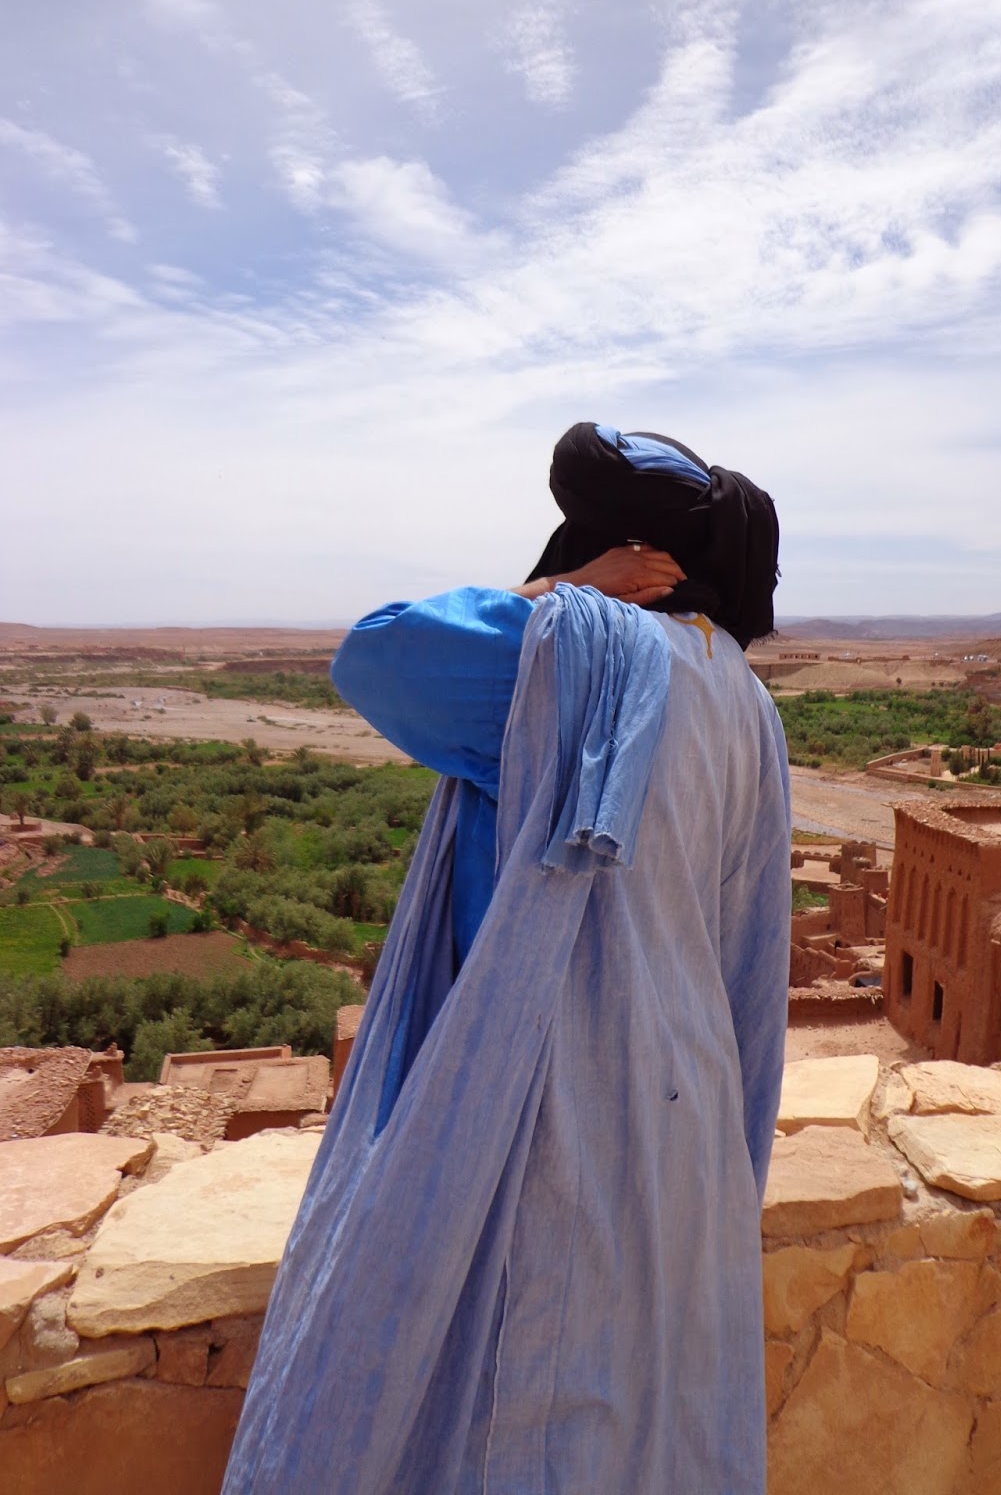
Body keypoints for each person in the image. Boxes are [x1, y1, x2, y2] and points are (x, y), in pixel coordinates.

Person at [222, 423, 791, 1495]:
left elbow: (375, 653)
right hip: (688, 1115)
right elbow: (751, 950)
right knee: (644, 1406)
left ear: (629, 551)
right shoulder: (742, 697)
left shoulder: (578, 652)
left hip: (550, 1107)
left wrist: (559, 589)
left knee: (518, 1399)